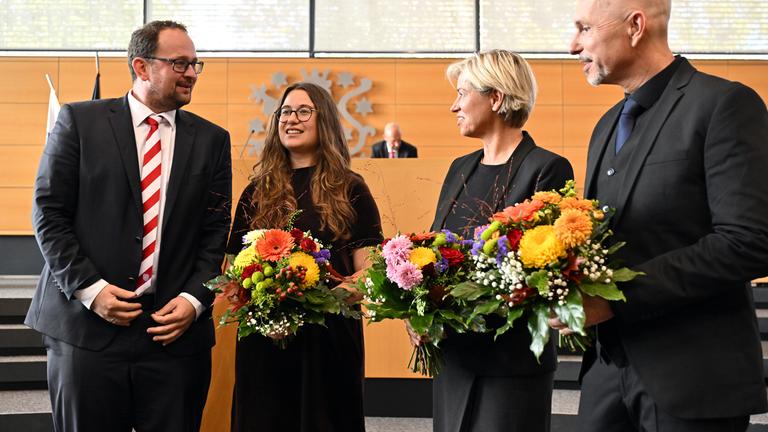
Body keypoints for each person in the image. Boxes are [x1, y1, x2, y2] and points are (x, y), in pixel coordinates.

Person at [549, 1, 768, 431]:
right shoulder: (606, 125)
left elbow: (751, 241)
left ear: (634, 26)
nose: (573, 45)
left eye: (584, 28)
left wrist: (615, 298)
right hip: (606, 377)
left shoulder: (725, 105)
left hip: (694, 380)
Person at [25, 20, 232, 432]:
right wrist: (92, 290)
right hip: (85, 328)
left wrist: (194, 301)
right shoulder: (79, 122)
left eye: (195, 64)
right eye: (179, 63)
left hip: (174, 336)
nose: (191, 73)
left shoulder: (212, 140)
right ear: (141, 67)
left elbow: (214, 232)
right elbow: (49, 214)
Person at [427, 49, 573, 432]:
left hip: (510, 361)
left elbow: (541, 270)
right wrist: (420, 308)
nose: (453, 106)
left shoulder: (548, 168)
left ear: (495, 98)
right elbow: (435, 251)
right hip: (453, 355)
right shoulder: (459, 168)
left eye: (462, 93)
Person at [226, 82, 383, 432]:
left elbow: (371, 271)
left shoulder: (350, 188)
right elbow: (232, 270)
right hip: (263, 341)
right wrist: (266, 295)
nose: (291, 119)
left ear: (323, 119)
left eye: (302, 111)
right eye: (285, 112)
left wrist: (316, 300)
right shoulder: (257, 190)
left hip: (328, 341)